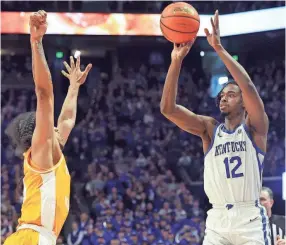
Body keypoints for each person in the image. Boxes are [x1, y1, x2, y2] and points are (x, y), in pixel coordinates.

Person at [161, 10, 270, 245]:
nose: (223, 98)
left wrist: (219, 49)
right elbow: (168, 109)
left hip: (249, 219)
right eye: (221, 95)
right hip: (217, 219)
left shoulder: (254, 129)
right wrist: (176, 62)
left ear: (243, 102)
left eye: (231, 94)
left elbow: (248, 86)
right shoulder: (210, 129)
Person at [4, 10, 92, 245]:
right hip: (31, 238)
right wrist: (36, 43)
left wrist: (74, 87)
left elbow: (67, 120)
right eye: (48, 125)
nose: (55, 126)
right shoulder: (41, 151)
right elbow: (44, 94)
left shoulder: (51, 153)